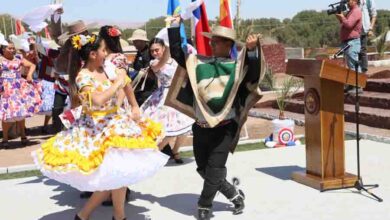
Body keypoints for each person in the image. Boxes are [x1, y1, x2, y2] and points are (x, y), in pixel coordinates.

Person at [32, 34, 168, 220]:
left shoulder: (108, 68)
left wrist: (134, 105)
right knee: (112, 175)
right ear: (93, 54)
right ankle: (94, 215)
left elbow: (127, 85)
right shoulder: (82, 76)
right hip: (95, 130)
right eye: (103, 50)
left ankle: (111, 216)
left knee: (121, 174)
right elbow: (97, 100)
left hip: (116, 124)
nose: (107, 53)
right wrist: (117, 84)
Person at [167, 22, 266, 219]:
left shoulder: (237, 68)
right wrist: (175, 28)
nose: (211, 44)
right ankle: (234, 194)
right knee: (203, 168)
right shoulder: (199, 64)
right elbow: (178, 53)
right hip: (201, 128)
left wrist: (253, 50)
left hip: (224, 129)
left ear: (228, 44)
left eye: (216, 41)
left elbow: (253, 74)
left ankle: (204, 206)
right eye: (211, 40)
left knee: (215, 169)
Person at [141, 37, 194, 164]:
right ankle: (153, 156)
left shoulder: (175, 60)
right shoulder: (154, 63)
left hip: (179, 94)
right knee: (167, 131)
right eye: (152, 51)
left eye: (157, 50)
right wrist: (169, 49)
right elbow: (161, 63)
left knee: (185, 127)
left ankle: (176, 151)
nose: (154, 53)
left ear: (163, 48)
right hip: (165, 96)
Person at [0, 39, 42, 148]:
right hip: (6, 90)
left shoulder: (18, 58)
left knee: (21, 112)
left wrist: (29, 75)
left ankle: (23, 136)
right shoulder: (0, 60)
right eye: (9, 48)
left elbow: (32, 65)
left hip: (18, 89)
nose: (12, 50)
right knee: (6, 114)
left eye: (13, 48)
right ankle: (5, 139)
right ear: (3, 49)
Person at [335, 0, 363, 93]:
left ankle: (358, 86)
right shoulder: (351, 11)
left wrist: (342, 17)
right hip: (348, 42)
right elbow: (345, 23)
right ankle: (351, 85)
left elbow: (349, 24)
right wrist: (340, 18)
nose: (347, 1)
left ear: (355, 1)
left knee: (353, 64)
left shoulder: (356, 11)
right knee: (349, 64)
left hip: (352, 42)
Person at [128, 29, 157, 106]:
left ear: (142, 41)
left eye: (136, 41)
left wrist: (134, 73)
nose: (134, 43)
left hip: (147, 90)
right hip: (139, 89)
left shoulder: (149, 54)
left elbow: (148, 72)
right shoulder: (139, 53)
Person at [360, 0, 377, 73]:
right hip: (352, 29)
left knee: (363, 50)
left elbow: (374, 14)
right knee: (353, 51)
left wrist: (370, 28)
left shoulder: (368, 1)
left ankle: (364, 73)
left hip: (363, 28)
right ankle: (354, 73)